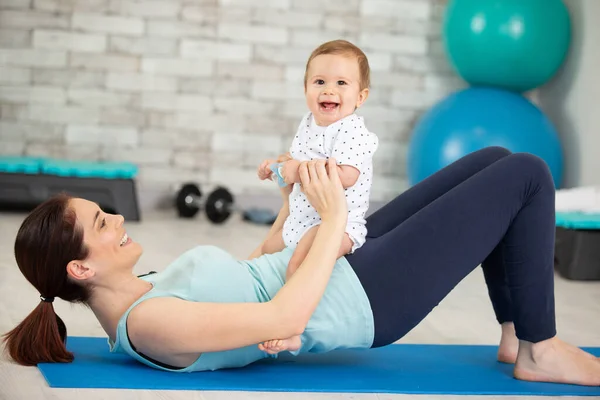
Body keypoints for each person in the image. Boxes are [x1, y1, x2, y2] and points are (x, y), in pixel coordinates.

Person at [3, 147, 600, 387]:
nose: (114, 217)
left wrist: (296, 210)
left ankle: (514, 335)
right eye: (100, 223)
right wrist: (334, 217)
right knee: (526, 175)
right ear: (79, 269)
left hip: (331, 265)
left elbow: (254, 272)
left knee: (494, 161)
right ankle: (538, 347)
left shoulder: (147, 289)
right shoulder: (148, 325)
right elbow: (282, 316)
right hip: (365, 300)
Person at [257, 40, 379, 283]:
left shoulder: (351, 130)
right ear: (306, 89)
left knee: (298, 266)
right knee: (267, 250)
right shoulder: (309, 122)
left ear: (360, 97)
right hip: (303, 215)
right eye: (320, 82)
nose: (329, 90)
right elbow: (298, 159)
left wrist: (298, 171)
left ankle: (295, 314)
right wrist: (277, 168)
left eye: (341, 83)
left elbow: (346, 176)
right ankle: (264, 294)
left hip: (336, 224)